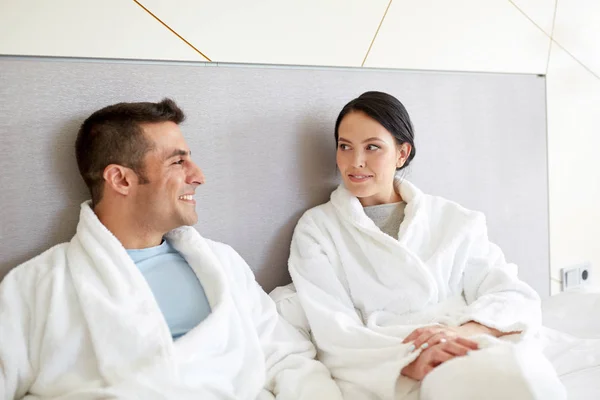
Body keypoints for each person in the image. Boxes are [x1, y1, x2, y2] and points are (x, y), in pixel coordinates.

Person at [0, 99, 342, 400]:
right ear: (120, 180)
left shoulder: (223, 264)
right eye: (178, 162)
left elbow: (288, 359)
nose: (199, 176)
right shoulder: (36, 286)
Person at [279, 91, 566, 399]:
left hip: (470, 339)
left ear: (402, 153)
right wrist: (410, 361)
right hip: (395, 356)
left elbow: (512, 294)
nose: (355, 162)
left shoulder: (454, 220)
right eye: (345, 146)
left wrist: (460, 333)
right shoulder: (318, 229)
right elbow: (333, 329)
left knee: (519, 376)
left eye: (372, 147)